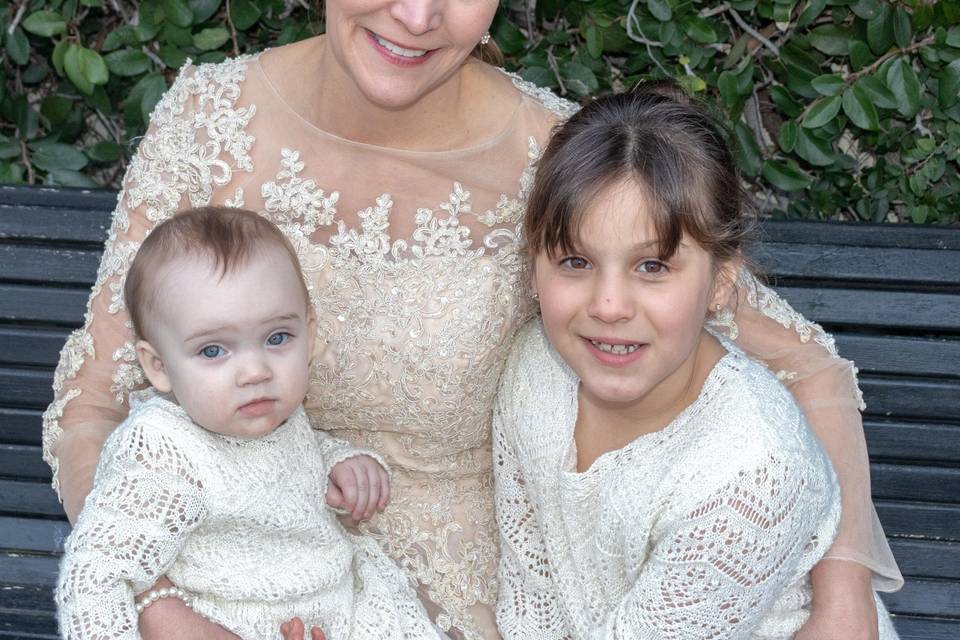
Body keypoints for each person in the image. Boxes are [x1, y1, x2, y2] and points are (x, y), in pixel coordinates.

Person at [41, 2, 900, 639]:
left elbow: (808, 368)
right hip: (241, 580)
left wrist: (844, 595)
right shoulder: (208, 123)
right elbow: (94, 406)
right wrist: (159, 604)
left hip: (490, 608)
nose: (417, 17)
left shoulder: (554, 157)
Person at [493, 84, 899, 639]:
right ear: (534, 263)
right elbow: (529, 592)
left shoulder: (751, 470)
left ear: (721, 281)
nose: (608, 306)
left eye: (653, 267)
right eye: (576, 260)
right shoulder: (533, 371)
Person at [55, 207, 442, 640]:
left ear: (309, 335)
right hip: (228, 622)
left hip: (343, 609)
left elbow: (290, 452)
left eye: (277, 338)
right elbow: (95, 574)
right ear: (158, 366)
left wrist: (341, 462)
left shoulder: (272, 415)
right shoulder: (162, 448)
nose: (255, 370)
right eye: (213, 350)